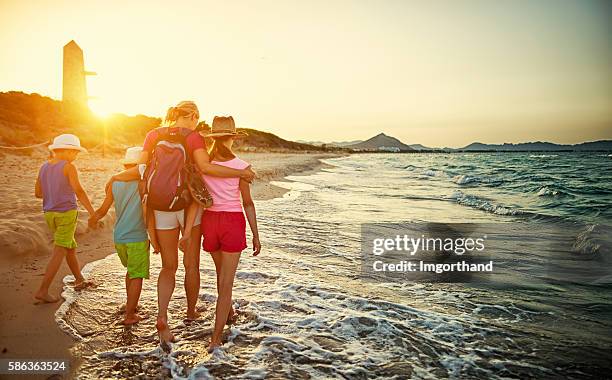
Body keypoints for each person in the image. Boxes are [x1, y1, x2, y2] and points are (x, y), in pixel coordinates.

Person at [107, 101, 256, 344]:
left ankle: (162, 316)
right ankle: (190, 311)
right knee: (191, 264)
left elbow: (142, 170)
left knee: (168, 267)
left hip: (161, 206)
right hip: (186, 205)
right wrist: (240, 173)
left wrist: (119, 177)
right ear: (193, 116)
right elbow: (206, 167)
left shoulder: (153, 134)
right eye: (196, 118)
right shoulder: (194, 137)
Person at [182, 116, 261, 352]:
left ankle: (229, 314)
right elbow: (247, 203)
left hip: (210, 222)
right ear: (232, 138)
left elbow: (198, 200)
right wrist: (256, 234)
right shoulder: (241, 168)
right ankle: (215, 339)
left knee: (220, 274)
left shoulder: (205, 165)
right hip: (232, 222)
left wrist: (187, 233)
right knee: (226, 285)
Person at [89, 147, 149, 325]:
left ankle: (129, 305)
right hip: (137, 237)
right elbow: (148, 212)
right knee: (137, 275)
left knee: (130, 272)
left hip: (119, 237)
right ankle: (130, 315)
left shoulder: (115, 183)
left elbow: (103, 209)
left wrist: (93, 219)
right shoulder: (143, 182)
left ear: (126, 164)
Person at [34, 134, 95, 303]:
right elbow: (79, 191)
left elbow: (38, 193)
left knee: (69, 247)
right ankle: (43, 290)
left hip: (49, 213)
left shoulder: (44, 167)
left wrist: (53, 190)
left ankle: (79, 279)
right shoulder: (68, 167)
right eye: (75, 153)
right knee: (60, 250)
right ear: (68, 151)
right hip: (66, 213)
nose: (76, 157)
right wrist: (92, 212)